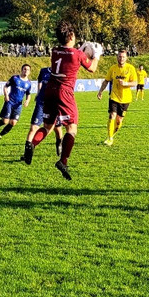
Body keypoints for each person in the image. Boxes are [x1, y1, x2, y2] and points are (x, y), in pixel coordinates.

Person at [22, 20, 100, 179]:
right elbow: (91, 68)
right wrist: (96, 54)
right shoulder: (77, 55)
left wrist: (81, 49)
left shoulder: (55, 50)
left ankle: (32, 144)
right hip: (64, 93)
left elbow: (69, 53)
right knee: (72, 128)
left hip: (49, 90)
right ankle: (63, 161)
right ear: (71, 35)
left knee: (48, 127)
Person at [22, 66, 65, 162]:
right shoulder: (44, 71)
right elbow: (40, 81)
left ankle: (59, 143)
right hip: (41, 102)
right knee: (33, 127)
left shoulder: (61, 72)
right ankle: (27, 153)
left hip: (54, 103)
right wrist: (38, 92)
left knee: (57, 129)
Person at [97, 49, 138, 146]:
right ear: (117, 57)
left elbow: (135, 82)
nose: (121, 58)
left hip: (126, 99)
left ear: (126, 58)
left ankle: (112, 134)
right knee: (112, 116)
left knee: (119, 121)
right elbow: (106, 81)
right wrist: (100, 91)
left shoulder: (130, 68)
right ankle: (110, 138)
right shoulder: (113, 68)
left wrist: (126, 83)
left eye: (123, 57)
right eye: (119, 56)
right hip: (114, 97)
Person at [0, 64, 33, 140]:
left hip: (18, 105)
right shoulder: (15, 78)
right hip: (10, 102)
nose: (26, 71)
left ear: (29, 72)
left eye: (28, 70)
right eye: (24, 69)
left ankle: (0, 136)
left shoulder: (29, 83)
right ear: (22, 70)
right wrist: (6, 95)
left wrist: (27, 101)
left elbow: (28, 94)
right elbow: (5, 86)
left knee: (13, 122)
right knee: (5, 121)